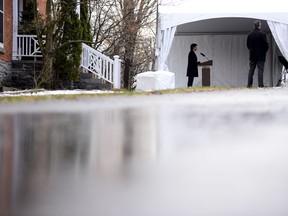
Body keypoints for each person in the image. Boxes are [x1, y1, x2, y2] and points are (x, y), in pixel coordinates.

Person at [247, 20, 269, 88]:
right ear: (259, 25)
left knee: (251, 70)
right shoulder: (263, 34)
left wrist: (252, 51)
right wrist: (264, 51)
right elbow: (266, 45)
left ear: (254, 25)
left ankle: (249, 85)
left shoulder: (250, 35)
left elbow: (248, 45)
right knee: (260, 70)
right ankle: (260, 85)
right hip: (261, 55)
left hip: (252, 55)